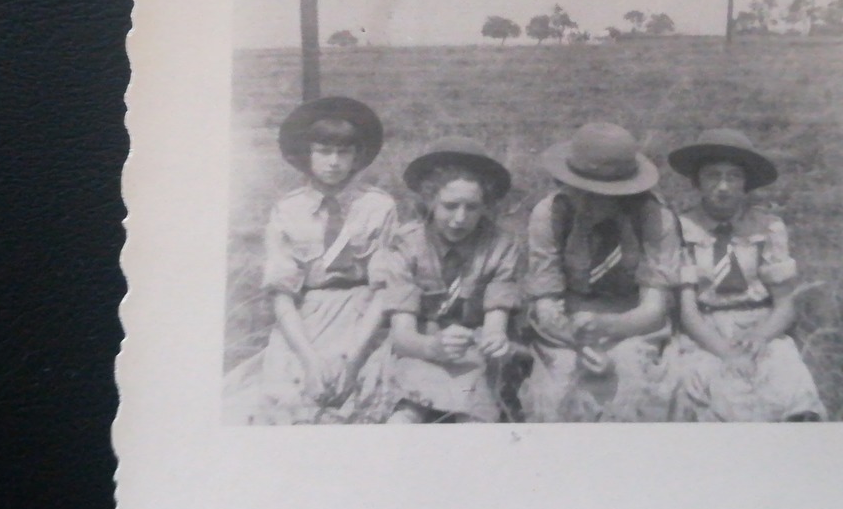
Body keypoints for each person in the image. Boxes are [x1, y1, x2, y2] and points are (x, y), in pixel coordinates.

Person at [230, 96, 399, 425]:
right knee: (291, 399)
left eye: (344, 152)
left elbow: (384, 290)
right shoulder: (287, 210)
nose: (334, 162)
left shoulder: (379, 206)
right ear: (307, 155)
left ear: (357, 156)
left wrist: (353, 359)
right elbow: (282, 294)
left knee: (362, 395)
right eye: (324, 152)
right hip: (305, 317)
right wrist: (309, 359)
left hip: (363, 316)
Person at [520, 122, 683, 422]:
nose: (589, 200)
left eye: (603, 193)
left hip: (632, 321)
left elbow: (654, 308)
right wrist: (577, 339)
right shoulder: (550, 214)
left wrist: (609, 328)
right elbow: (545, 301)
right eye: (580, 190)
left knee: (630, 377)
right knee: (561, 384)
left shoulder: (655, 217)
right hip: (567, 323)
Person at [665, 128, 826, 422]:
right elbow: (687, 312)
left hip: (760, 326)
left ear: (745, 184)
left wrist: (760, 336)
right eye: (713, 176)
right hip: (704, 331)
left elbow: (784, 304)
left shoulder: (768, 227)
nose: (723, 187)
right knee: (708, 387)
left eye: (733, 177)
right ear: (697, 181)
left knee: (787, 380)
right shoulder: (680, 229)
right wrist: (724, 350)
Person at [372, 138, 524, 423]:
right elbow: (403, 336)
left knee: (473, 422)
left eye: (472, 208)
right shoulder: (406, 244)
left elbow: (495, 322)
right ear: (429, 201)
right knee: (404, 418)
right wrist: (432, 347)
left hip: (473, 352)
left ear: (486, 206)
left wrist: (495, 339)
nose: (460, 219)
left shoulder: (501, 246)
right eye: (450, 206)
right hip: (419, 348)